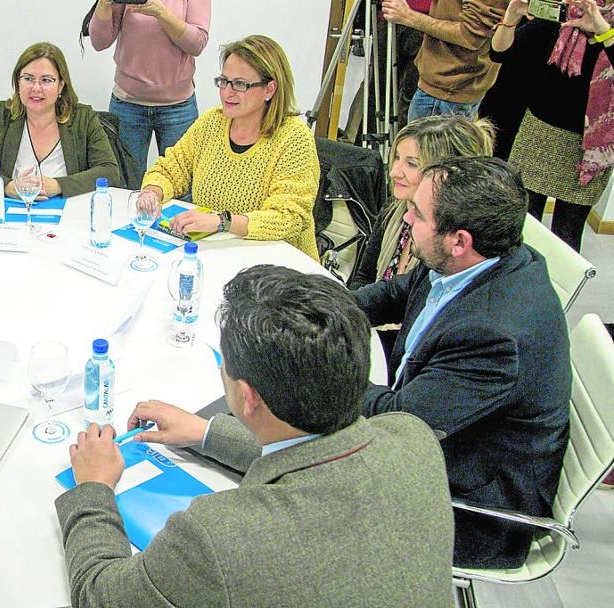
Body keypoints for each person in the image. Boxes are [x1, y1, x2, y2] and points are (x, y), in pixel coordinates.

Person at [56, 265, 454, 607]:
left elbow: (100, 595)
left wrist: (94, 488)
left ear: (247, 397)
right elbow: (316, 453)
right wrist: (207, 433)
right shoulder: (411, 435)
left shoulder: (217, 537)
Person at [353, 156, 570, 569]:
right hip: (445, 434)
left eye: (417, 214)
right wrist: (311, 310)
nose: (407, 219)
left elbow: (400, 421)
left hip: (470, 508)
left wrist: (311, 369)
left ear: (459, 240)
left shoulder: (493, 335)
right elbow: (392, 295)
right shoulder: (476, 260)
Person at [135, 35, 320, 260]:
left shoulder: (294, 137)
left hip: (278, 265)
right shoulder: (212, 122)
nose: (227, 92)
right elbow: (170, 168)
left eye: (240, 84)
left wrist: (223, 222)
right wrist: (152, 192)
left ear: (269, 90)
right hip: (217, 254)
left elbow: (288, 217)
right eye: (224, 81)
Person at [493, 0, 614, 252]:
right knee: (522, 229)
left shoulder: (605, 24)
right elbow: (500, 53)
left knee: (567, 239)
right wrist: (511, 16)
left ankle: (558, 291)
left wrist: (603, 30)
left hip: (590, 152)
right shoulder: (565, 14)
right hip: (538, 135)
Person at [349, 114, 495, 291]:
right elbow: (364, 277)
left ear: (447, 173)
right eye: (396, 157)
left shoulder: (450, 241)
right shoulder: (396, 208)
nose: (394, 172)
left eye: (411, 163)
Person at [0, 42, 121, 198]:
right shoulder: (1, 114)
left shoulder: (83, 118)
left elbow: (109, 171)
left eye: (46, 80)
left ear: (61, 86)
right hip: (15, 211)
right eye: (28, 79)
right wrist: (8, 187)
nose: (36, 88)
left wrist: (59, 185)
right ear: (18, 82)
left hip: (70, 213)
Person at [88, 0, 211, 188]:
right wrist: (104, 3)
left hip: (178, 108)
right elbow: (99, 42)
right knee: (126, 185)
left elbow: (196, 44)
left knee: (181, 186)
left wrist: (160, 12)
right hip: (127, 104)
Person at [382, 0, 511, 121]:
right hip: (447, 88)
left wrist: (408, 16)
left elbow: (471, 35)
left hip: (448, 92)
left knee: (423, 144)